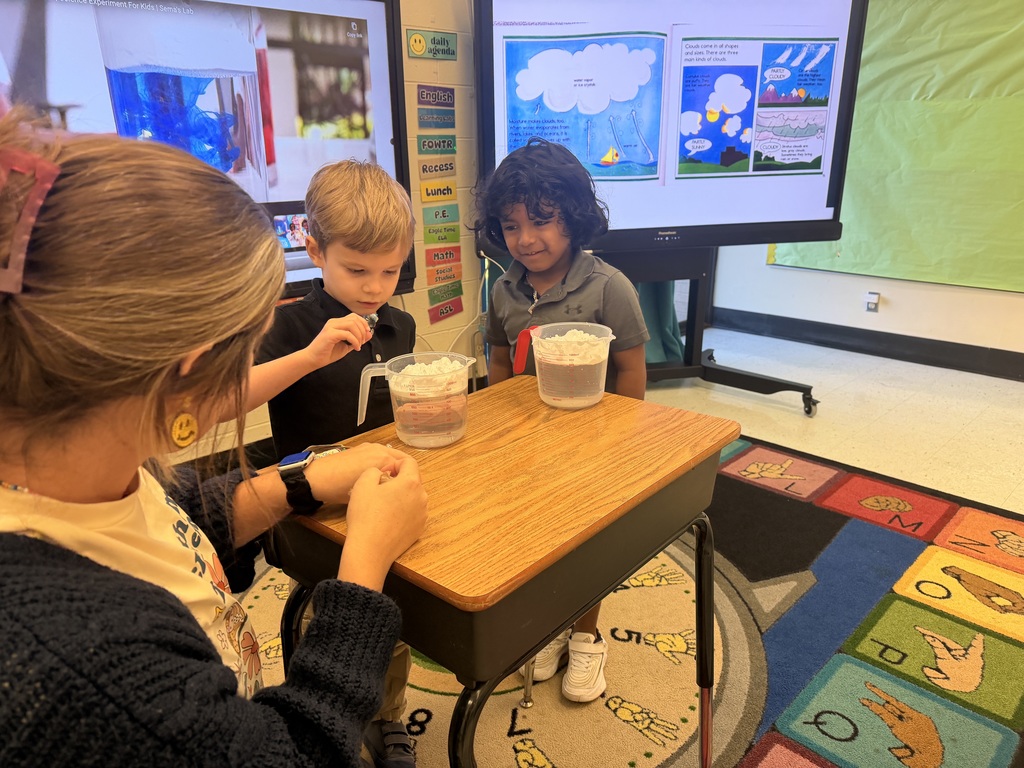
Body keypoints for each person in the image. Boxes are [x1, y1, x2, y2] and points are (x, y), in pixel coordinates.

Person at [0, 108, 428, 767]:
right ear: (195, 367)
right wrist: (364, 567)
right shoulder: (83, 669)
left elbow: (162, 525)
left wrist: (294, 483)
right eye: (249, 347)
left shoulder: (82, 470)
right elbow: (292, 755)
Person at [472, 137, 650, 703]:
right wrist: (494, 431)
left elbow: (632, 372)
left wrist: (620, 444)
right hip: (524, 450)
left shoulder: (608, 287)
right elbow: (499, 360)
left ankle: (587, 635)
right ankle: (551, 629)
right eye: (512, 224)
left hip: (589, 451)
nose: (525, 239)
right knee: (535, 543)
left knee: (586, 549)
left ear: (573, 218)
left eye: (542, 222)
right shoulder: (503, 289)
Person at [255, 159, 418, 767]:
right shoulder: (290, 325)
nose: (374, 287)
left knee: (386, 609)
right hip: (308, 503)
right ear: (313, 247)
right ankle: (317, 721)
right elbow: (236, 389)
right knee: (323, 614)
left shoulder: (397, 327)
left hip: (378, 495)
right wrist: (310, 357)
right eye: (356, 270)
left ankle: (386, 714)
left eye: (389, 270)